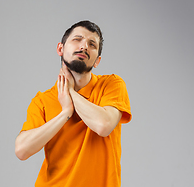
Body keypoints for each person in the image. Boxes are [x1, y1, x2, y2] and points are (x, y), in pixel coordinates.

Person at [15, 20, 132, 187]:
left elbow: (103, 125)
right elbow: (22, 150)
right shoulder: (42, 101)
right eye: (77, 39)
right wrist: (65, 113)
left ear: (97, 61)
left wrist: (69, 93)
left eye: (92, 44)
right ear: (60, 49)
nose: (84, 46)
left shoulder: (111, 85)